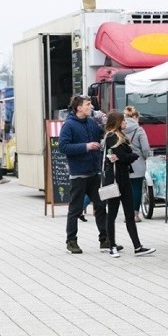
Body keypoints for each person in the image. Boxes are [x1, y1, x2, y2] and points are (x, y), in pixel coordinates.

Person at [59, 94, 110, 254]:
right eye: (88, 104)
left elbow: (104, 135)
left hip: (94, 172)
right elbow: (63, 147)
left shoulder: (91, 122)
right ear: (79, 107)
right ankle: (71, 241)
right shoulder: (69, 125)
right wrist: (86, 147)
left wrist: (106, 123)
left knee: (101, 206)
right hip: (79, 174)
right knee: (75, 209)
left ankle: (105, 240)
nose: (91, 107)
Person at [102, 111, 155, 258]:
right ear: (118, 122)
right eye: (123, 121)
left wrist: (127, 156)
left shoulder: (121, 137)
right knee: (111, 214)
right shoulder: (112, 137)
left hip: (124, 178)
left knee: (129, 214)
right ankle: (111, 245)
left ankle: (137, 246)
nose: (125, 123)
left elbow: (121, 157)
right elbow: (122, 156)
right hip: (115, 180)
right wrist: (132, 156)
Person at [124, 105, 151, 223]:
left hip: (124, 164)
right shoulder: (139, 130)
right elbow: (145, 148)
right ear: (135, 117)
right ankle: (135, 214)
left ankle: (127, 214)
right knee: (136, 188)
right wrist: (146, 158)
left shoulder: (120, 129)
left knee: (125, 190)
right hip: (137, 163)